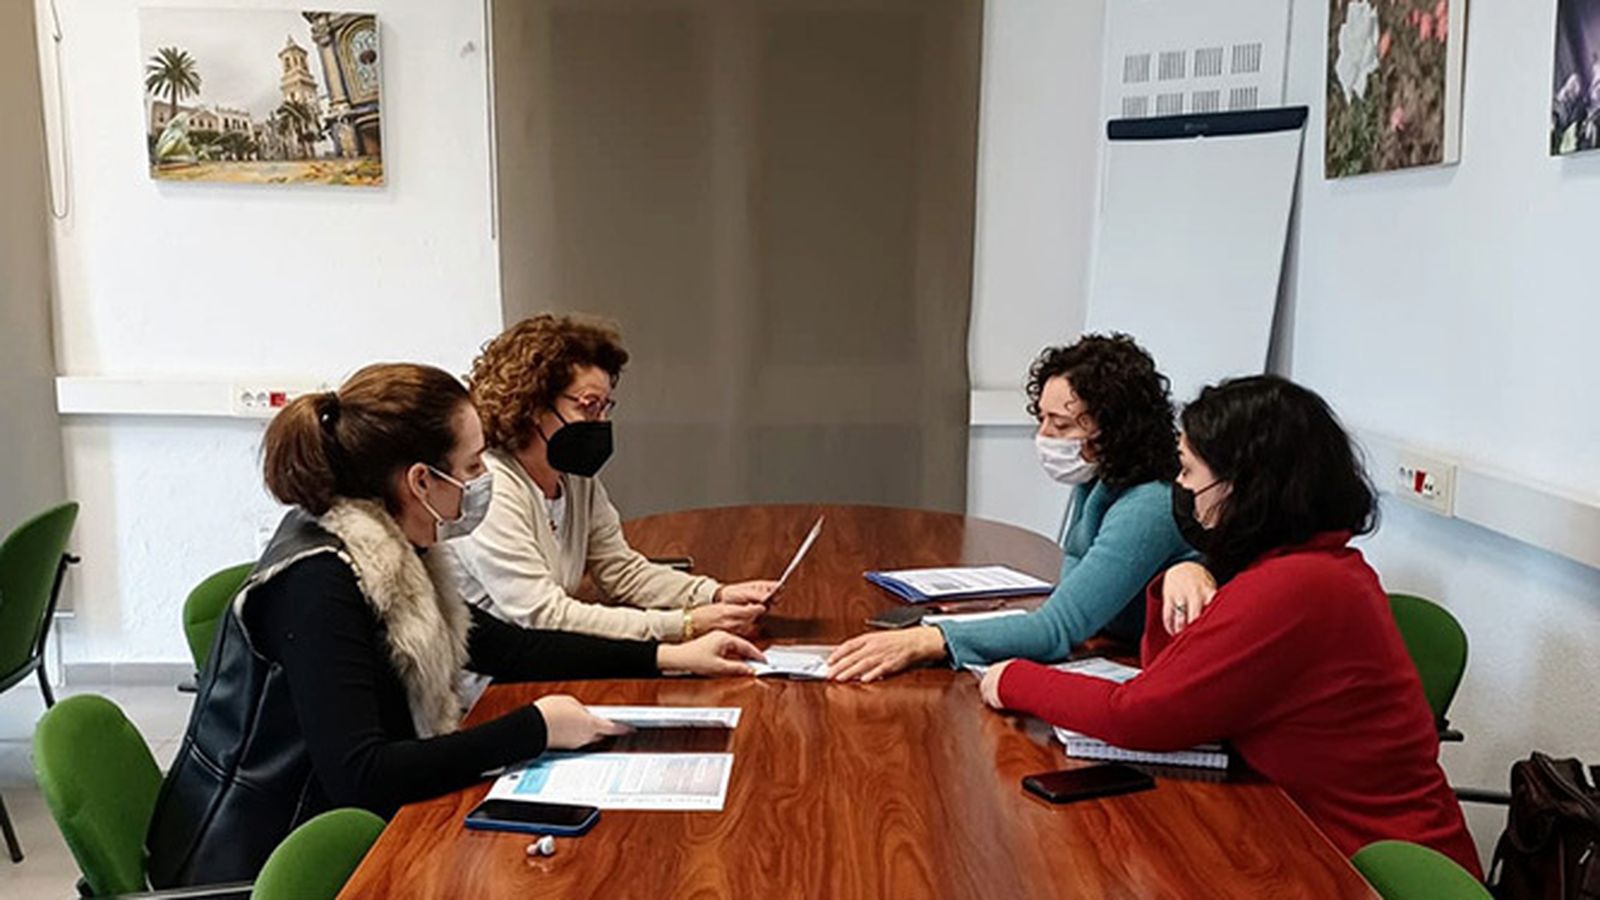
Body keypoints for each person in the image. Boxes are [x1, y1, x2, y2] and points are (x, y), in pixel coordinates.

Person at [146, 363, 763, 888]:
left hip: (342, 828)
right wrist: (535, 727)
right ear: (421, 480)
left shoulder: (399, 546)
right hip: (270, 862)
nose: (481, 483)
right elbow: (363, 773)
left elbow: (507, 646)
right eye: (471, 468)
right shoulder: (320, 583)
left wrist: (671, 656)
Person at [979, 375, 1482, 876]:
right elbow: (1178, 680)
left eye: (1189, 471)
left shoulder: (1297, 587)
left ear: (1243, 486)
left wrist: (1014, 679)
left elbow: (1141, 715)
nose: (1181, 487)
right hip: (1315, 841)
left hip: (1372, 870)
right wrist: (1184, 572)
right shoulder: (1310, 563)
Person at [827, 334, 1193, 682]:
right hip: (1115, 645)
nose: (1044, 437)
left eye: (1061, 425)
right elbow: (1074, 589)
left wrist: (929, 640)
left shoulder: (1149, 504)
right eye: (1042, 419)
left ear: (1115, 430)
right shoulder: (1100, 478)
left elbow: (1058, 627)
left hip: (1149, 666)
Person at [440, 314, 778, 642]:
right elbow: (543, 614)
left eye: (605, 407)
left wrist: (715, 595)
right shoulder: (491, 487)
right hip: (494, 683)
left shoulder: (574, 478)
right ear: (533, 406)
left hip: (552, 657)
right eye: (588, 406)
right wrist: (685, 624)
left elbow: (620, 571)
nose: (599, 421)